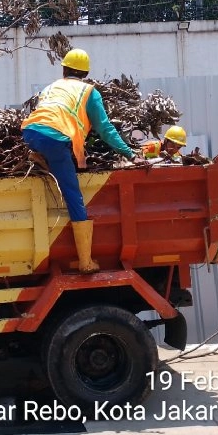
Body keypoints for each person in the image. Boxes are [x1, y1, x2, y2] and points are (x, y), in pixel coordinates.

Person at [21, 48, 139, 274]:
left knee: (53, 153)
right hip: (55, 139)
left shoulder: (51, 87)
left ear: (64, 69)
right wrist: (129, 154)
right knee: (73, 194)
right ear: (86, 74)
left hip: (29, 133)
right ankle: (85, 260)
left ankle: (38, 156)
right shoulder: (89, 92)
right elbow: (104, 129)